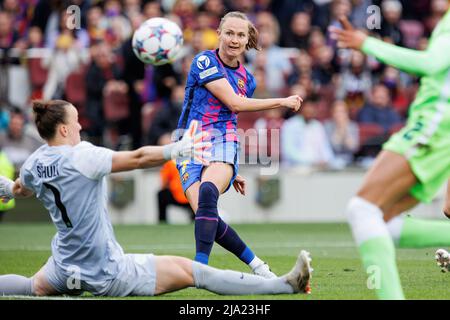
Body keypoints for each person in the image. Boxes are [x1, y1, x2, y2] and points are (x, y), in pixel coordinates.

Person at [0, 99, 312, 297]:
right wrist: (173, 150)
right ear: (66, 130)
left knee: (32, 286)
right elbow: (136, 158)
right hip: (108, 272)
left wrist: (3, 187)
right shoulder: (83, 155)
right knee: (195, 273)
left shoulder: (33, 163)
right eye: (77, 121)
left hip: (65, 267)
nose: (82, 125)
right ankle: (282, 285)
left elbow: (18, 190)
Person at [330, 9, 450, 300]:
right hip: (440, 130)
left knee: (362, 210)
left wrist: (366, 43)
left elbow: (431, 63)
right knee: (381, 221)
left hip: (434, 125)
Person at [175, 11, 302, 278]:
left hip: (223, 141)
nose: (234, 39)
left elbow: (230, 113)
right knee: (207, 216)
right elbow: (234, 103)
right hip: (189, 142)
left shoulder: (248, 79)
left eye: (240, 35)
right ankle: (258, 266)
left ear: (247, 40)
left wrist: (230, 166)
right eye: (229, 33)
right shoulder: (203, 61)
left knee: (209, 192)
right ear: (219, 33)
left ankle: (200, 270)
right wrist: (282, 101)